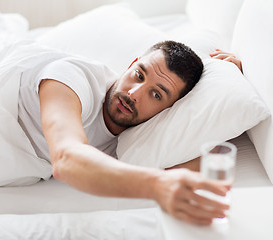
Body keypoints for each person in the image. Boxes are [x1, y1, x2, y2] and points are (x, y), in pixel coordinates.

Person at [18, 40, 242, 226]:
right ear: (132, 64)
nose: (134, 94)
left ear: (169, 111)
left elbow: (190, 163)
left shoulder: (135, 144)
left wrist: (228, 89)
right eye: (139, 75)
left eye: (156, 95)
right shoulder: (71, 78)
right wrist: (158, 185)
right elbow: (66, 157)